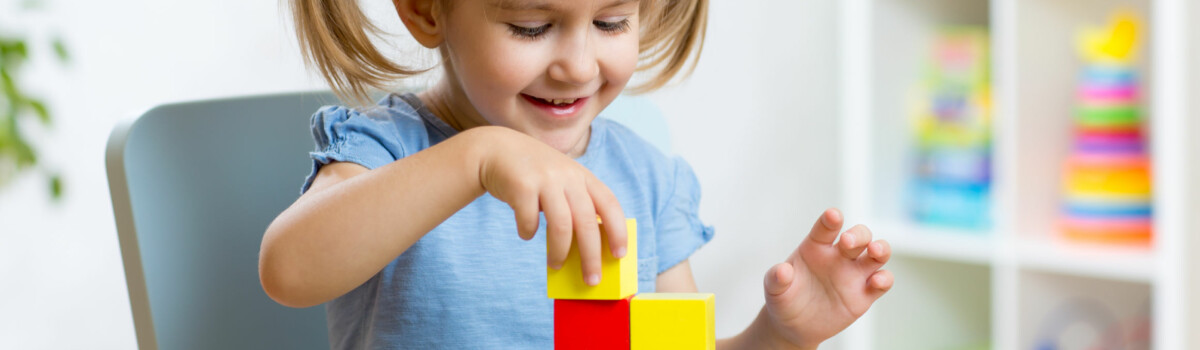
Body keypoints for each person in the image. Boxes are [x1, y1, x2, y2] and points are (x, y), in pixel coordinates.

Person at [258, 0, 895, 348]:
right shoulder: (388, 149)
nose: (579, 65)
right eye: (532, 26)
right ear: (427, 10)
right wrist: (476, 158)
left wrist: (779, 338)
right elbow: (289, 270)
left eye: (611, 21)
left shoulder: (645, 177)